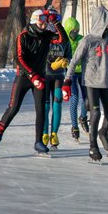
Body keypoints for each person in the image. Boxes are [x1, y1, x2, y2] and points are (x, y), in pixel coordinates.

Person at [0, 8, 68, 157]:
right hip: (24, 77)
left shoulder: (46, 35)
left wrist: (56, 22)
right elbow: (19, 58)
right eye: (42, 20)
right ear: (34, 20)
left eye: (46, 20)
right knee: (14, 108)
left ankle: (38, 142)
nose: (44, 24)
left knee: (41, 110)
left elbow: (63, 40)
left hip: (41, 78)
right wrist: (32, 75)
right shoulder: (23, 36)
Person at [62, 6, 108, 162]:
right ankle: (93, 146)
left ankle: (103, 133)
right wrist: (67, 80)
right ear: (101, 22)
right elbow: (74, 61)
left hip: (107, 83)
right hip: (91, 83)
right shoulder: (87, 40)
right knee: (96, 113)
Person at [42, 11, 72, 149]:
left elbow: (69, 56)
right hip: (45, 76)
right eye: (50, 20)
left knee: (57, 105)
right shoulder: (44, 37)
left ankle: (54, 134)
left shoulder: (64, 39)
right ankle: (44, 134)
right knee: (46, 106)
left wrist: (65, 61)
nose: (53, 24)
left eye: (56, 20)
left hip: (59, 76)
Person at [63, 17, 89, 142]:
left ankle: (83, 117)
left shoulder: (82, 39)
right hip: (70, 73)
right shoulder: (65, 41)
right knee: (74, 99)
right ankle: (74, 127)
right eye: (73, 31)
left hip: (83, 72)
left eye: (77, 30)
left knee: (87, 98)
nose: (75, 33)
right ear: (68, 30)